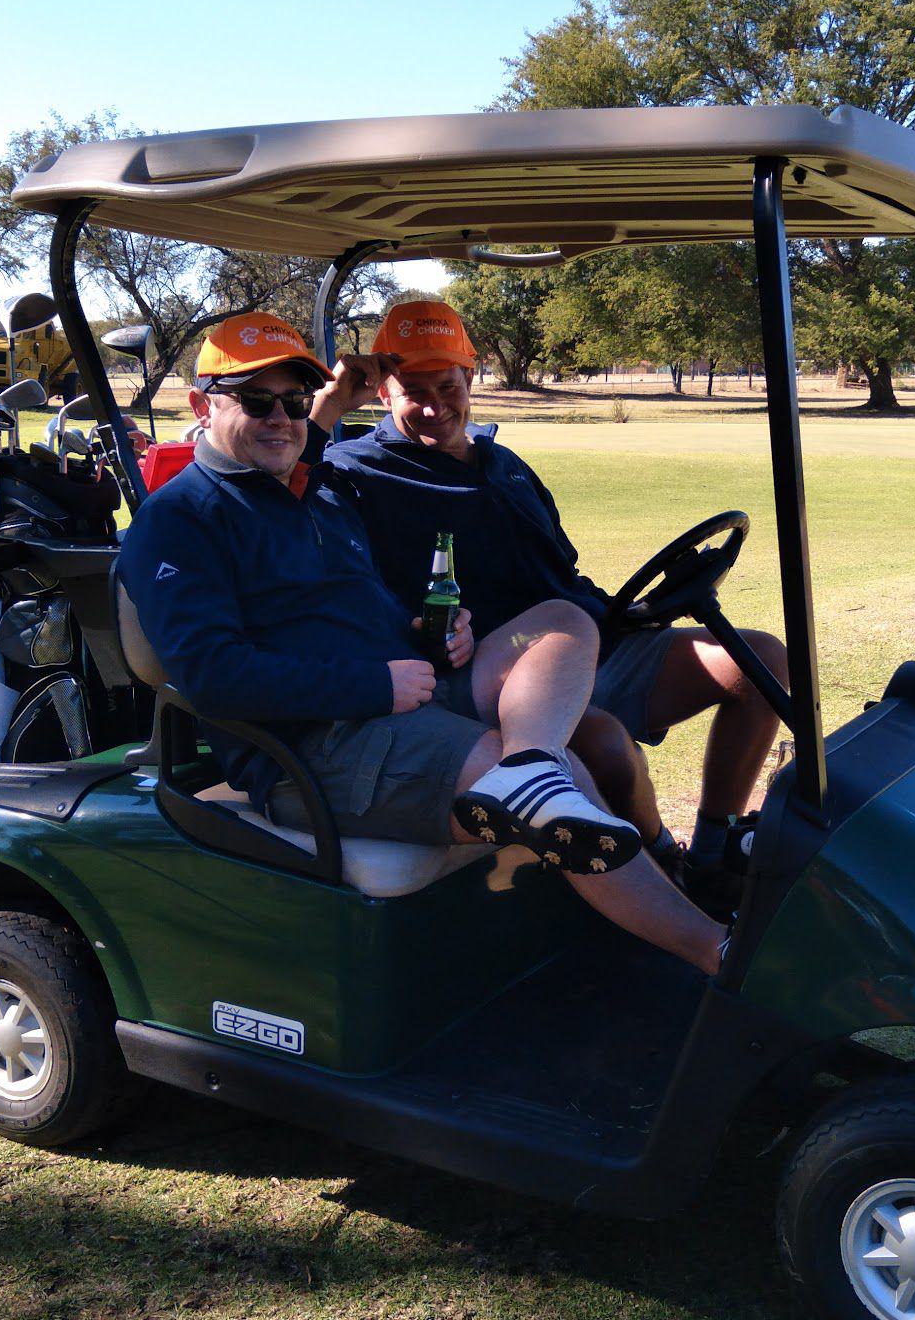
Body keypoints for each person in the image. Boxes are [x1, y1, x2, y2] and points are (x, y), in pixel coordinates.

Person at [117, 312, 724, 975]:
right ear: (202, 407)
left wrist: (431, 636)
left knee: (559, 623)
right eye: (257, 400)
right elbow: (211, 675)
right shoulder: (180, 519)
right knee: (571, 775)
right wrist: (376, 684)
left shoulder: (306, 495)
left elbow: (361, 605)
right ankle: (716, 954)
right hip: (315, 743)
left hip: (403, 695)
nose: (282, 418)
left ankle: (528, 770)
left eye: (294, 401)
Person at [323, 300, 787, 913]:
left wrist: (629, 612)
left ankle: (714, 848)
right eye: (413, 391)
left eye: (448, 385)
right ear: (382, 389)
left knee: (758, 661)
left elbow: (560, 570)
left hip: (589, 640)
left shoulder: (503, 463)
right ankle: (665, 866)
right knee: (606, 744)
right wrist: (325, 409)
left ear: (472, 376)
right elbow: (282, 496)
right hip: (497, 674)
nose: (435, 407)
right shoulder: (352, 471)